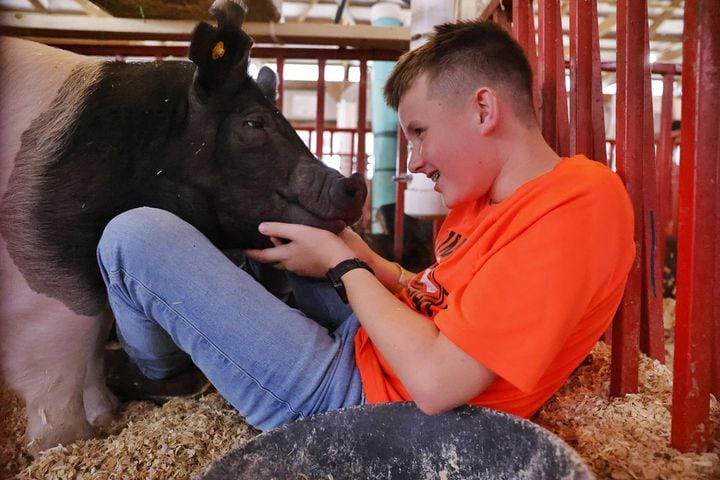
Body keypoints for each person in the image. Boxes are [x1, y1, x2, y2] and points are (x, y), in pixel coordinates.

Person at [97, 20, 634, 430]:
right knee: (288, 220)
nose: (417, 160)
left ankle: (163, 376)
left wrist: (344, 265)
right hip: (378, 345)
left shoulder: (578, 204)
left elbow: (436, 383)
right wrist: (376, 265)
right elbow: (445, 304)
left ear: (483, 110)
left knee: (134, 237)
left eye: (420, 132)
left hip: (366, 404)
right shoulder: (490, 197)